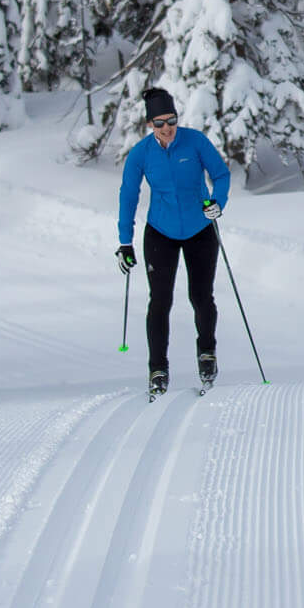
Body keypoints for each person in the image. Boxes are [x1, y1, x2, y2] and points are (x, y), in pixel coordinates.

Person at [116, 87, 233, 396]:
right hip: (160, 232)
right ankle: (158, 369)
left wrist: (217, 202)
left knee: (201, 296)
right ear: (150, 124)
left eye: (171, 120)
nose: (167, 128)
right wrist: (125, 242)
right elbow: (128, 196)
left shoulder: (195, 142)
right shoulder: (141, 153)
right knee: (160, 301)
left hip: (199, 229)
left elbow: (221, 175)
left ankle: (207, 354)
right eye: (159, 123)